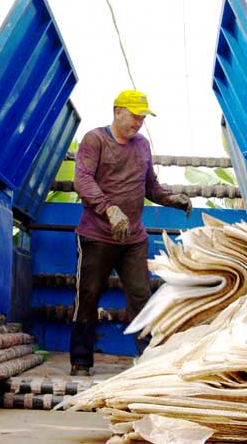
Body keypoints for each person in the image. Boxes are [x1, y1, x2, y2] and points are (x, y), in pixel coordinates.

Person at [69, 89, 192, 376]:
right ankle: (81, 360)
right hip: (97, 236)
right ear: (117, 111)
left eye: (142, 118)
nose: (138, 122)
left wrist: (172, 199)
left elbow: (150, 186)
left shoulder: (142, 146)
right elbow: (82, 181)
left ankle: (149, 360)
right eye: (134, 116)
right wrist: (110, 209)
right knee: (88, 295)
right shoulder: (95, 140)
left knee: (141, 296)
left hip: (133, 239)